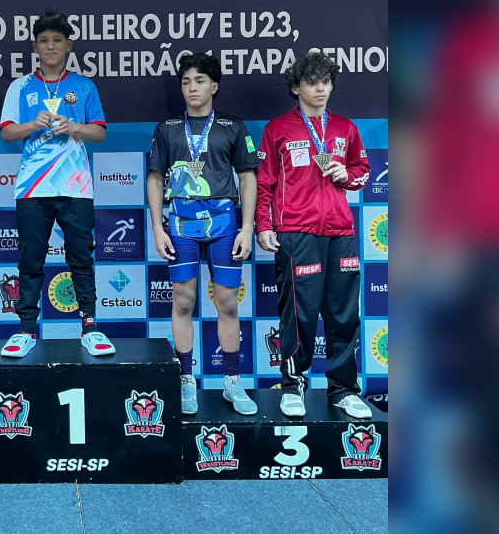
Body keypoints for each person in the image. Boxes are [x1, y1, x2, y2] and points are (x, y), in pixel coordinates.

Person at [254, 51, 372, 419]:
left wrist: (348, 176)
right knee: (299, 315)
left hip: (340, 231)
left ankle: (343, 389)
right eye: (312, 82)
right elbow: (263, 183)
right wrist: (263, 225)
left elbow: (362, 170)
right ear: (296, 87)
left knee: (344, 315)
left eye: (325, 82)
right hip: (296, 233)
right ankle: (293, 386)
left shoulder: (346, 128)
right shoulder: (278, 129)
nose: (320, 89)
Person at [147, 52, 260, 415]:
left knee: (227, 302)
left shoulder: (233, 126)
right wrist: (157, 227)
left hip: (224, 223)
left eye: (199, 81)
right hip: (181, 223)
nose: (191, 88)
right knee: (183, 300)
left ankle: (232, 381)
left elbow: (248, 176)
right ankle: (185, 380)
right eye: (185, 82)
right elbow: (155, 177)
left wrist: (247, 227)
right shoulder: (167, 128)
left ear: (214, 86)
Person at [0, 9, 113, 358]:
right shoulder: (19, 87)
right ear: (34, 46)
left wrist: (73, 127)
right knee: (31, 260)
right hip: (32, 187)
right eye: (44, 40)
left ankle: (90, 327)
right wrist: (33, 125)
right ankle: (25, 330)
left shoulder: (84, 86)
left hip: (76, 186)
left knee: (81, 259)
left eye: (57, 40)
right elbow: (6, 133)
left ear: (68, 45)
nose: (50, 46)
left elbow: (100, 132)